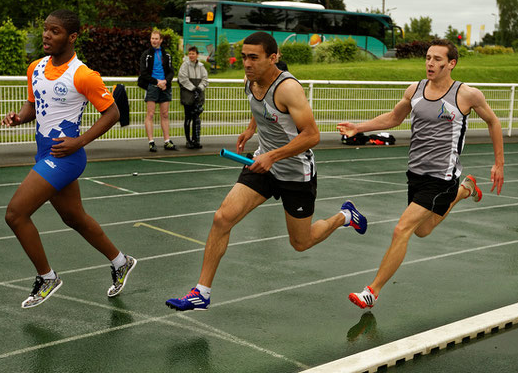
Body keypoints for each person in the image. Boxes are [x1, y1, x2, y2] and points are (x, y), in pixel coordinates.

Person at [166, 32, 368, 311]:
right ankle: (201, 292)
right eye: (245, 57)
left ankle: (345, 216)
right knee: (222, 218)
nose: (247, 64)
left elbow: (312, 136)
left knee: (301, 241)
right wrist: (251, 130)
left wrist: (273, 155)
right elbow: (259, 107)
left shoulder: (288, 89)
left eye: (254, 58)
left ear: (273, 58)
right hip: (263, 164)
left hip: (296, 171)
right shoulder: (250, 81)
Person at [337, 39, 505, 309]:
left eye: (438, 59)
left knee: (402, 229)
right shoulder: (415, 90)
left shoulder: (466, 95)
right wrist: (359, 128)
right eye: (428, 57)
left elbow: (493, 121)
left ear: (451, 64)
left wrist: (499, 163)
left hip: (442, 175)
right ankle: (466, 190)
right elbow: (393, 118)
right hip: (416, 172)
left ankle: (372, 291)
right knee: (423, 230)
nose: (430, 63)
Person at [1, 9, 137, 308]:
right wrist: (17, 117)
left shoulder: (83, 74)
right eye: (45, 30)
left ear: (72, 37)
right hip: (44, 152)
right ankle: (120, 261)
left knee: (15, 214)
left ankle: (47, 277)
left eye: (55, 31)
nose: (46, 35)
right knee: (74, 217)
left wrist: (80, 141)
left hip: (65, 157)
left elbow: (112, 113)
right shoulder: (35, 67)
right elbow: (33, 106)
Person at [138, 29, 176, 152]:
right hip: (152, 86)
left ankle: (167, 141)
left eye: (156, 38)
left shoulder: (167, 55)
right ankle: (151, 141)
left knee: (165, 114)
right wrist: (156, 82)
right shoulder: (146, 55)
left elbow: (171, 71)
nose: (154, 41)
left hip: (164, 86)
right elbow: (143, 73)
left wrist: (165, 82)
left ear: (161, 40)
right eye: (152, 38)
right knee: (150, 114)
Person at [178, 46, 208, 149]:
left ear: (197, 55)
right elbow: (182, 78)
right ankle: (188, 140)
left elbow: (205, 79)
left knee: (196, 118)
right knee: (188, 117)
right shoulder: (184, 66)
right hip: (188, 96)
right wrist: (192, 88)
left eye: (193, 54)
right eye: (190, 54)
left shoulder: (201, 66)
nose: (191, 56)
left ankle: (196, 140)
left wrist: (199, 88)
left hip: (198, 96)